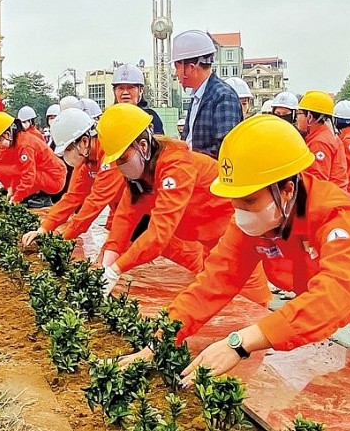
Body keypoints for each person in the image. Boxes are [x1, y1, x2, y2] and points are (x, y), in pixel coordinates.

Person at [122, 115, 350, 389]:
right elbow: (214, 281)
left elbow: (336, 297)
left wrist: (241, 343)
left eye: (249, 200)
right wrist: (160, 340)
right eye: (235, 200)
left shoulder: (340, 217)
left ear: (288, 188)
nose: (240, 211)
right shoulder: (258, 218)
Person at [95, 103, 271, 304]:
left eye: (123, 158)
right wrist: (105, 267)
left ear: (142, 146)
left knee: (250, 307)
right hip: (208, 245)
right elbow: (124, 219)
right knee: (213, 303)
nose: (120, 166)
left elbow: (158, 235)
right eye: (117, 161)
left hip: (237, 242)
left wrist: (116, 269)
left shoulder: (176, 166)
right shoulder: (141, 178)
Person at [21, 108, 127, 246]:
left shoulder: (110, 155)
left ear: (84, 141)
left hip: (144, 214)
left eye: (68, 150)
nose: (66, 156)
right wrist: (44, 228)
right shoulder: (86, 159)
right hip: (121, 213)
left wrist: (63, 239)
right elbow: (72, 197)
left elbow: (95, 203)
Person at [174, 30, 242, 159]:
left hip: (212, 177)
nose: (175, 73)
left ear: (191, 68)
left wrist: (190, 158)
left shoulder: (223, 97)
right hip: (196, 173)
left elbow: (224, 149)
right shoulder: (197, 97)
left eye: (177, 67)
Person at [0, 111, 67, 207]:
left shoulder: (24, 146)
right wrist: (11, 188)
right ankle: (32, 194)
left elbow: (28, 175)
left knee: (24, 171)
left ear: (7, 134)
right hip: (44, 174)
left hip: (54, 179)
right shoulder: (16, 141)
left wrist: (16, 198)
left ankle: (40, 196)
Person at [295, 91, 348, 190]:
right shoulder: (322, 135)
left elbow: (317, 182)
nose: (296, 118)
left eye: (299, 113)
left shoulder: (319, 142)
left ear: (310, 117)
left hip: (328, 200)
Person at [111, 63, 165, 134]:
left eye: (131, 87)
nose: (125, 92)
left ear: (141, 90)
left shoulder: (150, 118)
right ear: (114, 91)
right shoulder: (109, 118)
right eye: (120, 88)